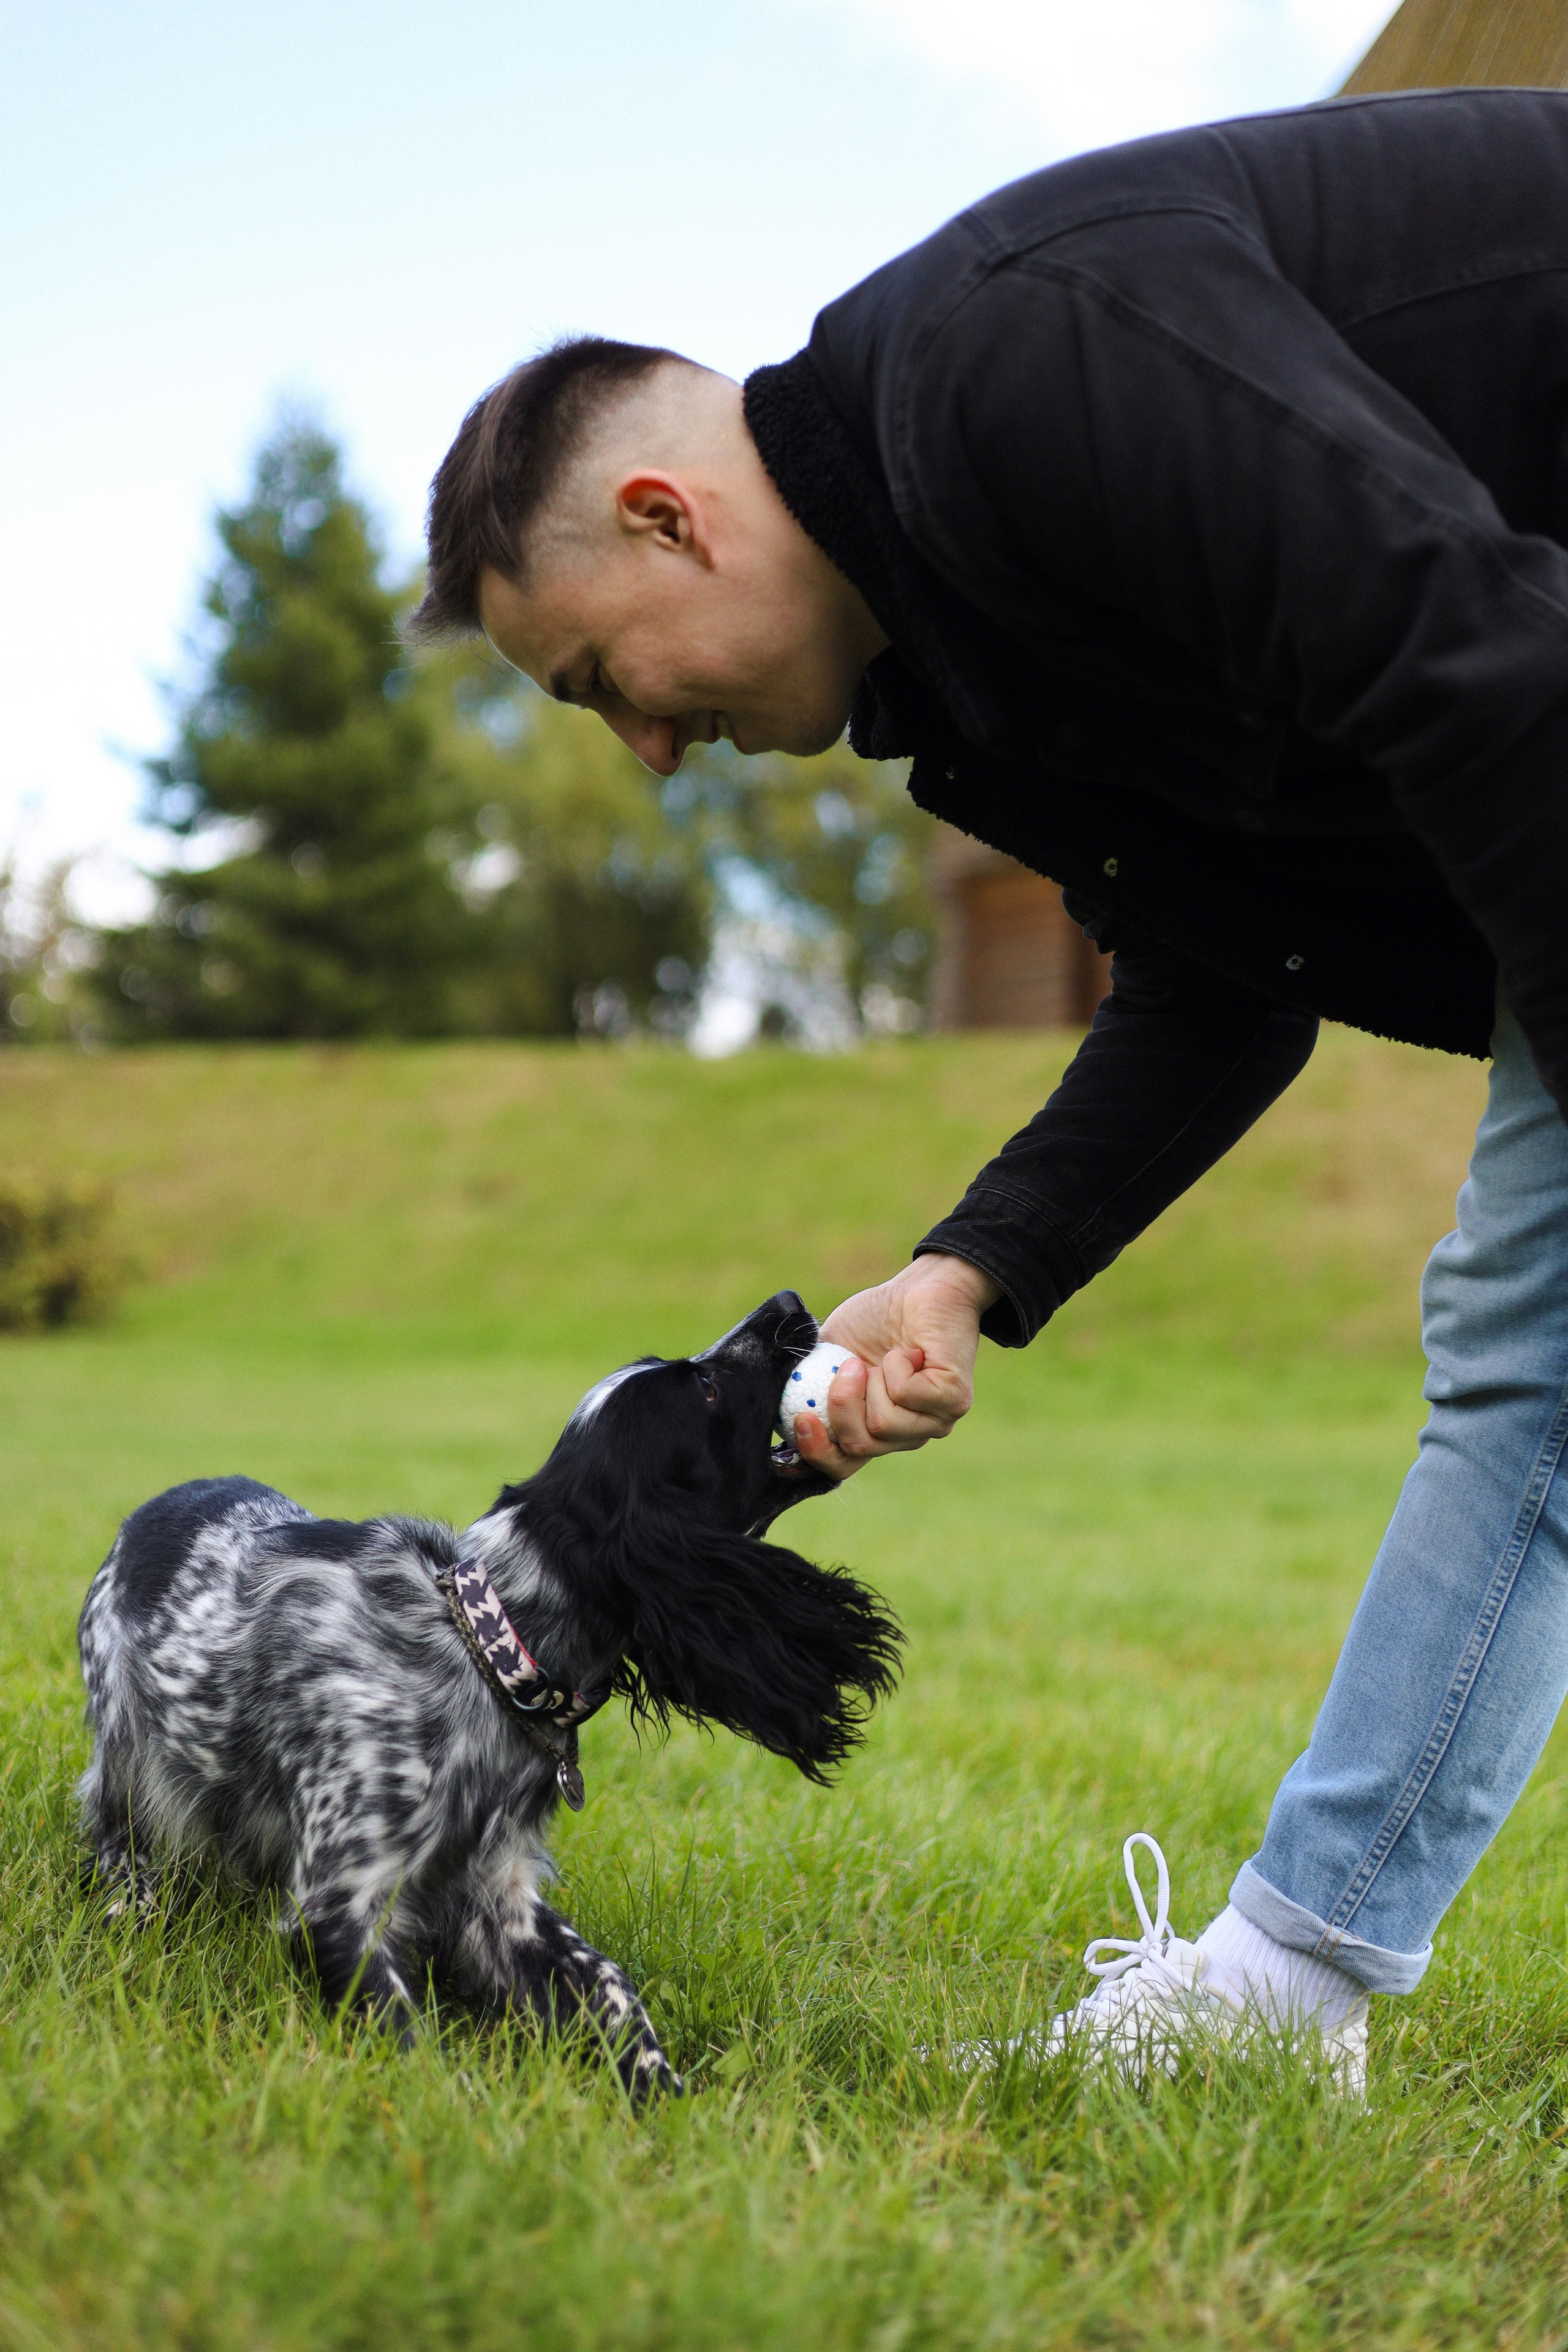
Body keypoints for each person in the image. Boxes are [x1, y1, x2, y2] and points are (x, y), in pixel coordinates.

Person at [409, 87, 1568, 2089]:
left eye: (600, 681)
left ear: (668, 519)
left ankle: (1285, 1998)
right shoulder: (958, 655)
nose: (649, 754)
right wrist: (968, 1269)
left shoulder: (1013, 365)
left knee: (1531, 1337)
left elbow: (1479, 654)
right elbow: (1225, 978)